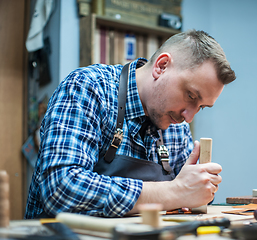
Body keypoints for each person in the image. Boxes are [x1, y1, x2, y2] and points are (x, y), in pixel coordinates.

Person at [25, 29, 236, 219]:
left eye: (201, 107)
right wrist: (174, 192)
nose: (189, 117)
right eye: (190, 95)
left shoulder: (176, 125)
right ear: (162, 66)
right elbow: (61, 188)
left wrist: (200, 190)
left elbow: (187, 195)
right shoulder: (88, 88)